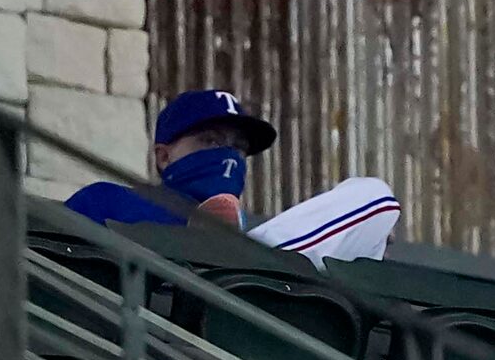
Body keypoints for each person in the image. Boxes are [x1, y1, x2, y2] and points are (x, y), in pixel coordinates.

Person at [67, 87, 401, 263]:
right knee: (374, 194)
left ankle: (241, 257)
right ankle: (246, 260)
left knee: (372, 216)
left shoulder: (270, 231)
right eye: (209, 140)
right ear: (164, 156)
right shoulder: (109, 200)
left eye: (237, 147)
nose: (227, 156)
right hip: (166, 329)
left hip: (241, 337)